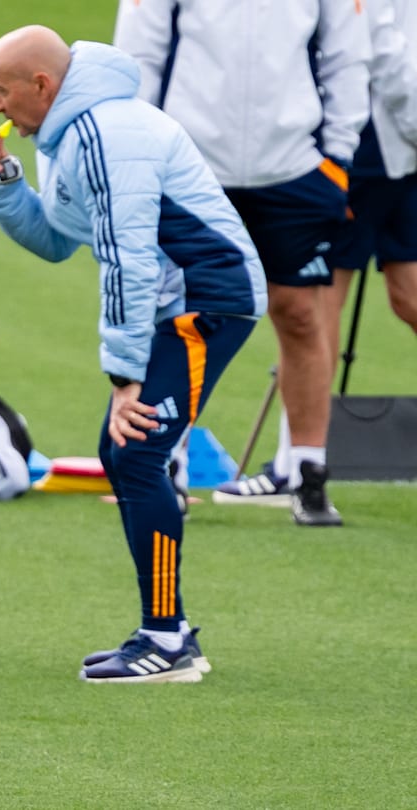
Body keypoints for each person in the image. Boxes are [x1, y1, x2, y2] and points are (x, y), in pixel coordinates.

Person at [0, 27, 266, 682]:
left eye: (1, 90)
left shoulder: (106, 135)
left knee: (136, 453)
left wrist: (125, 377)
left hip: (205, 300)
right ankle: (165, 632)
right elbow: (57, 239)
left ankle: (167, 642)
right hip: (177, 303)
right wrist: (6, 190)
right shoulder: (70, 135)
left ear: (41, 86)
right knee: (124, 455)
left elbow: (131, 265)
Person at [114, 0, 370, 526]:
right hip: (191, 166)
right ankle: (167, 461)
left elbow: (347, 58)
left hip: (294, 169)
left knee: (300, 314)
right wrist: (144, 154)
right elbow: (139, 57)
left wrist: (337, 159)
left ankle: (308, 473)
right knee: (181, 313)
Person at [326, 0, 417, 360]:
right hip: (390, 136)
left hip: (372, 137)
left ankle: (304, 420)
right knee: (409, 291)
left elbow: (382, 46)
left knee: (320, 298)